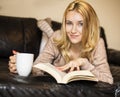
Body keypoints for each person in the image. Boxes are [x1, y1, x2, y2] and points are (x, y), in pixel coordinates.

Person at [8, 0, 113, 84]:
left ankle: (47, 30)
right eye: (69, 23)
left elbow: (108, 79)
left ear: (90, 26)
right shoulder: (57, 37)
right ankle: (47, 31)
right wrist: (22, 65)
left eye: (81, 24)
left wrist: (84, 63)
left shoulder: (98, 43)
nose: (73, 30)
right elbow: (38, 66)